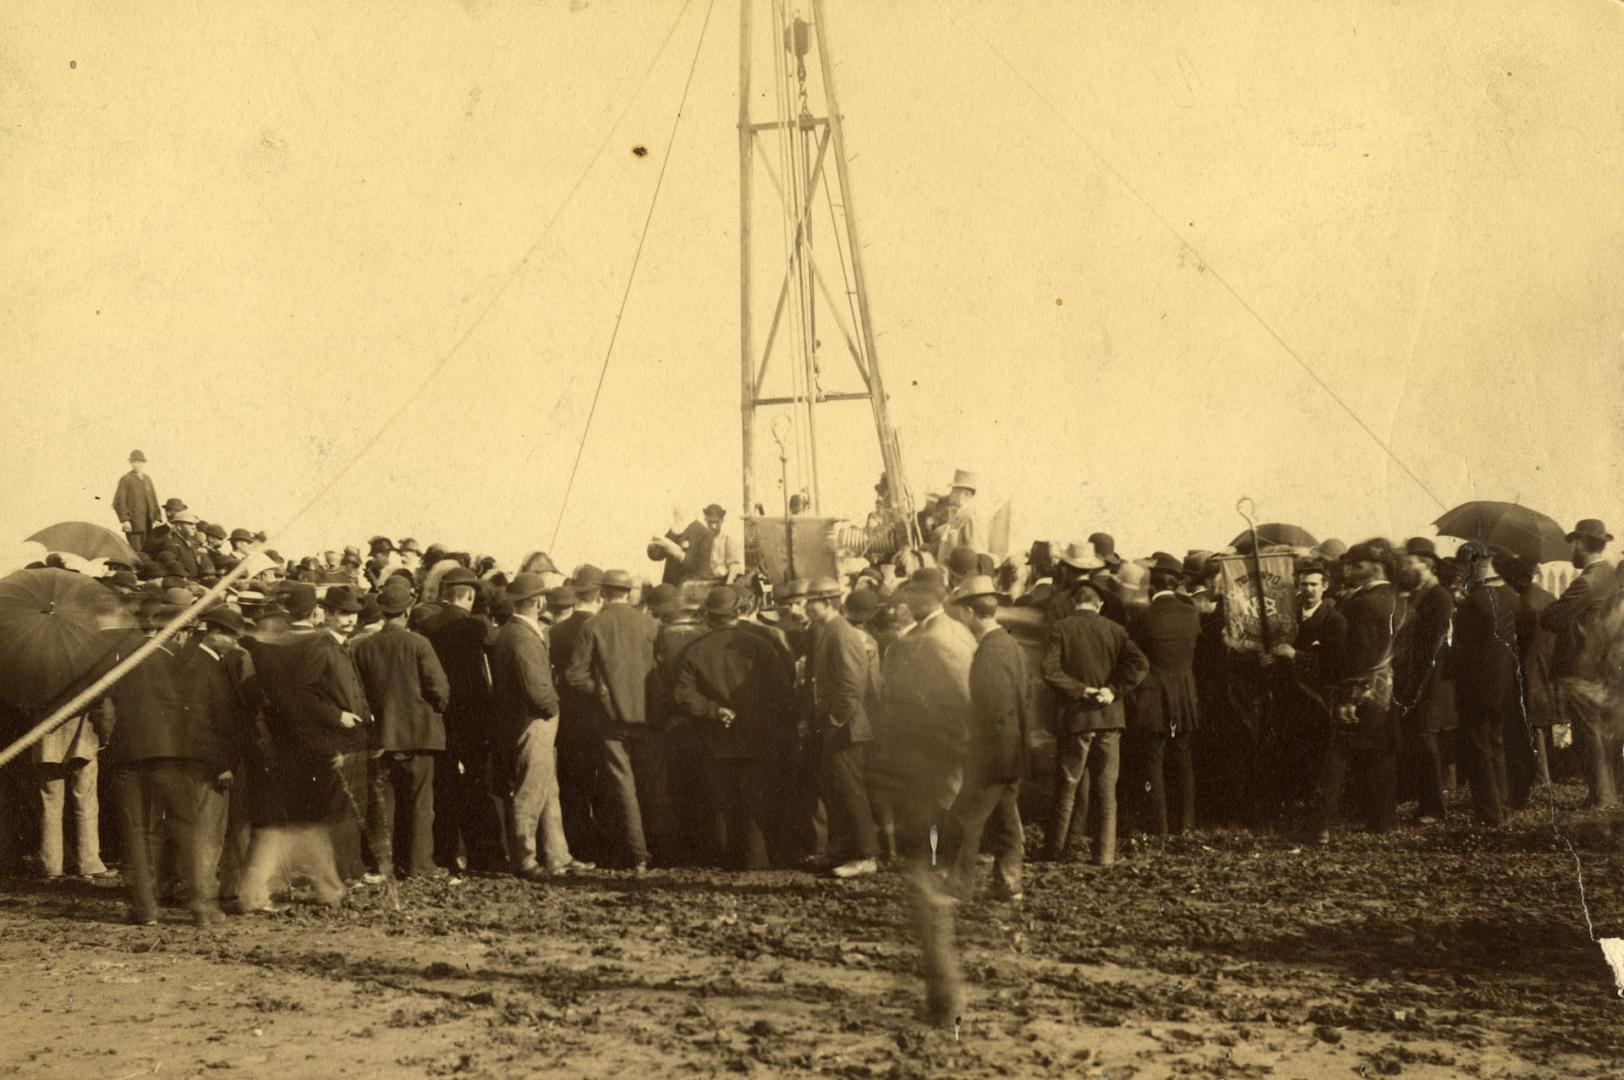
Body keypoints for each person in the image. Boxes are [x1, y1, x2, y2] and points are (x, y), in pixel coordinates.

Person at [238, 583, 372, 912]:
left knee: (306, 822)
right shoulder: (318, 645)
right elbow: (301, 694)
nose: (348, 619)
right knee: (305, 823)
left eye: (353, 613)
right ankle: (268, 892)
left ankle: (323, 888)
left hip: (310, 743)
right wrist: (334, 719)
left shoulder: (326, 645)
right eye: (341, 613)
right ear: (322, 613)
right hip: (312, 744)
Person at [94, 599, 205, 925]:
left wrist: (106, 740)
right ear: (176, 631)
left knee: (136, 832)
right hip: (171, 755)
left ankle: (146, 909)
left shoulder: (120, 654)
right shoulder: (181, 660)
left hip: (126, 753)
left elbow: (103, 707)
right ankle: (201, 907)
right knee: (185, 828)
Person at [672, 586, 794, 870]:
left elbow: (682, 695)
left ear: (709, 616)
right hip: (758, 736)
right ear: (738, 611)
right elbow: (782, 692)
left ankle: (726, 858)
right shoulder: (762, 645)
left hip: (715, 736)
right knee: (755, 797)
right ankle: (757, 859)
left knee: (721, 798)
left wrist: (715, 711)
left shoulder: (694, 651)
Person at [566, 569, 670, 872]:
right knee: (653, 784)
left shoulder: (593, 625)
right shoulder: (652, 625)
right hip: (648, 717)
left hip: (611, 721)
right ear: (629, 592)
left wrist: (599, 692)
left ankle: (637, 855)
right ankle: (664, 850)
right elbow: (662, 671)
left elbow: (575, 676)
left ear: (603, 592)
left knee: (623, 786)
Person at [1041, 577, 1149, 865]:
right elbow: (1140, 664)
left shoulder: (1060, 629)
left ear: (1074, 602)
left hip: (1076, 718)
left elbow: (1049, 671)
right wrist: (1113, 690)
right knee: (1106, 789)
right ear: (1099, 605)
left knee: (1067, 786)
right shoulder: (1116, 630)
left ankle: (1054, 853)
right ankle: (1104, 855)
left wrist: (1081, 690)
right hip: (1110, 719)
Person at [350, 579, 452, 880]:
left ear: (383, 612)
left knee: (383, 804)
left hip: (381, 736)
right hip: (419, 735)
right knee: (421, 802)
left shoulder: (362, 646)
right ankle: (420, 865)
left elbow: (357, 692)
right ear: (407, 611)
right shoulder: (419, 644)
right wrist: (436, 709)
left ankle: (382, 865)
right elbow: (440, 688)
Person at [492, 573, 588, 880]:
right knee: (531, 789)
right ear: (537, 602)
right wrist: (552, 706)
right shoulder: (521, 635)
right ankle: (525, 859)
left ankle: (558, 855)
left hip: (528, 718)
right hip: (533, 720)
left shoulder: (513, 631)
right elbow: (535, 686)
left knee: (547, 788)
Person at [947, 575, 1029, 903]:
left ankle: (957, 888)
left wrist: (978, 755)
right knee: (1007, 819)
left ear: (969, 612)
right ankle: (1009, 884)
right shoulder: (1011, 645)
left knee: (966, 817)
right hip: (1013, 750)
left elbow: (992, 709)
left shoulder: (990, 652)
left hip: (993, 753)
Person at [419, 566, 505, 876]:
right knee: (475, 785)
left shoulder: (425, 626)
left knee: (443, 787)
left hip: (439, 717)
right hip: (471, 719)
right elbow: (481, 680)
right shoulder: (475, 628)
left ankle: (445, 853)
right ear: (468, 595)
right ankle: (484, 855)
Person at [1314, 542, 1399, 844]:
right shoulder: (1397, 599)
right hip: (1388, 689)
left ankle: (1322, 825)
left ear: (1376, 567)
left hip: (1361, 688)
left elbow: (1356, 655)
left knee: (1337, 755)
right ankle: (1380, 820)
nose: (1349, 569)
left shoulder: (1361, 603)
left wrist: (1348, 696)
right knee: (1381, 754)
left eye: (1356, 564)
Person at [174, 604, 251, 924]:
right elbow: (197, 723)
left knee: (207, 834)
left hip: (205, 761)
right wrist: (219, 763)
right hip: (207, 765)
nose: (235, 641)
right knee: (207, 836)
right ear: (216, 633)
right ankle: (202, 904)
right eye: (231, 635)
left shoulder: (205, 660)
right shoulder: (200, 666)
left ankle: (202, 897)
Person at [804, 576, 883, 879]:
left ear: (828, 603)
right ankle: (840, 850)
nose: (806, 608)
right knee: (834, 790)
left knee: (851, 792)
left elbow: (852, 687)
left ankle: (867, 855)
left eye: (811, 602)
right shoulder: (826, 631)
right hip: (834, 726)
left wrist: (835, 721)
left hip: (846, 728)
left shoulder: (842, 634)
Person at [1542, 518, 1621, 808]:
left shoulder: (1586, 582)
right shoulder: (1610, 576)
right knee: (1602, 731)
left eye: (1573, 543)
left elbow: (1550, 618)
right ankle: (1605, 792)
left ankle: (1602, 797)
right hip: (1604, 663)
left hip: (1581, 665)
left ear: (1582, 543)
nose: (1571, 550)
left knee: (1588, 732)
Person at [1128, 553, 1201, 841]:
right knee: (1183, 758)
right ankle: (1186, 824)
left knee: (1153, 761)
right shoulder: (1191, 614)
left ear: (1151, 587)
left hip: (1154, 697)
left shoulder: (1144, 617)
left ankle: (1158, 825)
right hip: (1184, 695)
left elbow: (1136, 656)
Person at [1448, 546, 1517, 825]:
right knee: (1496, 744)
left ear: (1476, 565)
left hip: (1475, 686)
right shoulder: (1511, 595)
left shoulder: (1473, 601)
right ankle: (1502, 807)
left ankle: (1489, 814)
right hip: (1504, 683)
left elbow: (1461, 648)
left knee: (1477, 747)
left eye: (1465, 565)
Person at [1393, 538, 1456, 821]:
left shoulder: (1438, 595)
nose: (1406, 567)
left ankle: (1433, 807)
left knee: (1426, 737)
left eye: (1411, 562)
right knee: (1417, 737)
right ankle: (1422, 799)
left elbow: (1436, 642)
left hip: (1431, 677)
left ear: (1426, 564)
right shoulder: (1417, 593)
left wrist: (1418, 673)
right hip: (1414, 674)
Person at [551, 567, 605, 864]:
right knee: (605, 784)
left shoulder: (556, 631)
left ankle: (578, 845)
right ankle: (606, 845)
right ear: (599, 593)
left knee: (573, 787)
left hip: (570, 719)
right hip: (601, 715)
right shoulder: (601, 627)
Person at [113, 450, 163, 553]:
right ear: (130, 463)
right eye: (134, 462)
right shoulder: (126, 479)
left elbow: (154, 500)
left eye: (139, 462)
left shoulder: (147, 479)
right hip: (134, 524)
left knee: (148, 551)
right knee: (137, 552)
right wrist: (125, 520)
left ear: (144, 463)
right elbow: (118, 502)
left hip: (148, 524)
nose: (137, 464)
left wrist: (157, 518)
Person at [932, 469, 982, 566]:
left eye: (954, 491)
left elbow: (972, 546)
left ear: (966, 494)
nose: (950, 495)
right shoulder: (961, 513)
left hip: (961, 569)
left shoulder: (968, 514)